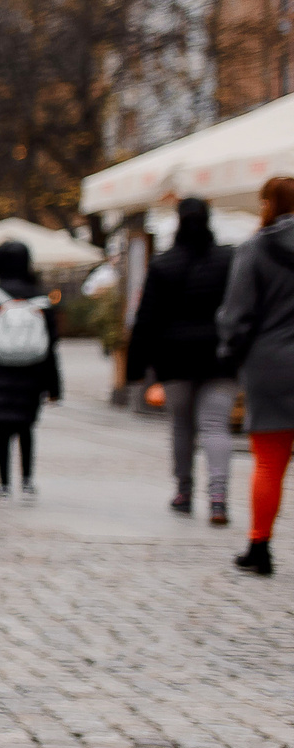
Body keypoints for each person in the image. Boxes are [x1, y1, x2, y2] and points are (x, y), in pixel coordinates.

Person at [126, 198, 236, 523]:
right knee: (216, 425)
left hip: (174, 358)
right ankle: (218, 497)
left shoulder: (164, 264)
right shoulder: (228, 259)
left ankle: (184, 492)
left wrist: (136, 367)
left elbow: (147, 318)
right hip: (219, 356)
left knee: (181, 426)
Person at [218, 175, 294, 576]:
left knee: (268, 462)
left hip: (271, 364)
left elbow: (236, 313)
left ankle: (260, 546)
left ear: (267, 204)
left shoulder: (255, 248)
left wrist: (230, 352)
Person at [0, 241, 62, 502]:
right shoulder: (41, 300)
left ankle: (4, 483)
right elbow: (52, 346)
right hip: (32, 375)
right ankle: (28, 480)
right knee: (27, 427)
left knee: (3, 431)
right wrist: (54, 387)